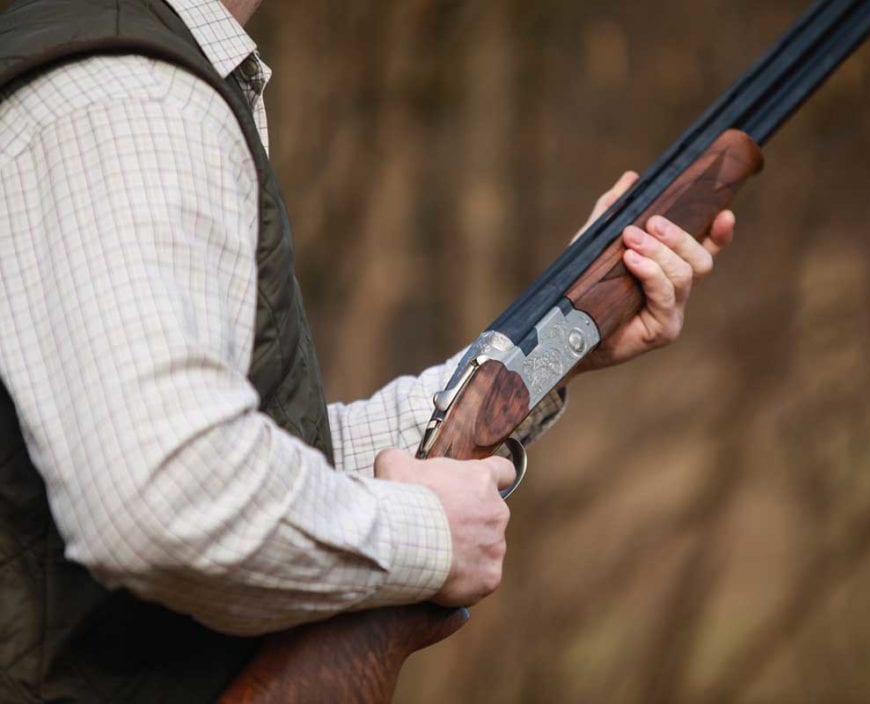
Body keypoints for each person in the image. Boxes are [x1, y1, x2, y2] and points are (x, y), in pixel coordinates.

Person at [0, 0, 736, 700]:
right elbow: (167, 496)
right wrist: (429, 535)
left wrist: (567, 332)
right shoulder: (134, 101)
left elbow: (269, 458)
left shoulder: (131, 69)